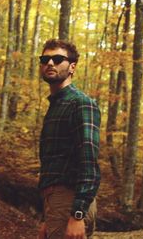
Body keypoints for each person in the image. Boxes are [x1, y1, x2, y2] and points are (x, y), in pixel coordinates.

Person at [37, 39, 101, 239]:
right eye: (45, 59)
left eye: (57, 59)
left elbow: (89, 161)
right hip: (56, 202)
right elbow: (56, 164)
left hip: (70, 201)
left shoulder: (80, 103)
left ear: (72, 67)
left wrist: (78, 213)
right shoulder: (57, 104)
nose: (50, 63)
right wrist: (47, 217)